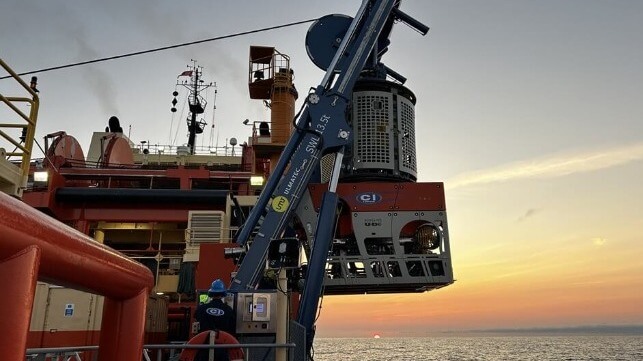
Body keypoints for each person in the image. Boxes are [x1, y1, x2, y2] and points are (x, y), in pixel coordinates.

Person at [193, 279, 236, 361]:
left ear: (211, 293)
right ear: (223, 294)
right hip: (222, 348)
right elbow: (232, 329)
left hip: (204, 347)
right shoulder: (228, 310)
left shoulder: (201, 309)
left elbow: (196, 320)